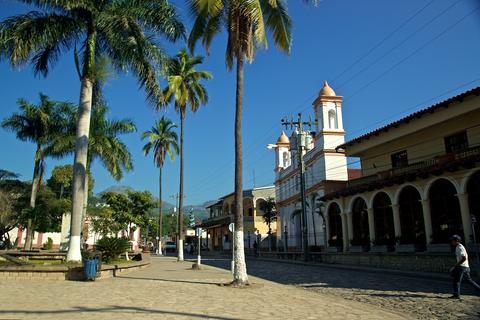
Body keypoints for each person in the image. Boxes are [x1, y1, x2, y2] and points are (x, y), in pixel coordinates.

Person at [449, 234, 480, 299]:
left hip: (462, 267)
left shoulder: (460, 247)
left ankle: (456, 295)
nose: (452, 242)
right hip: (465, 267)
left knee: (456, 281)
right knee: (469, 281)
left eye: (453, 240)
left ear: (457, 240)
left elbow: (464, 258)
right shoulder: (458, 247)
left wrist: (456, 265)